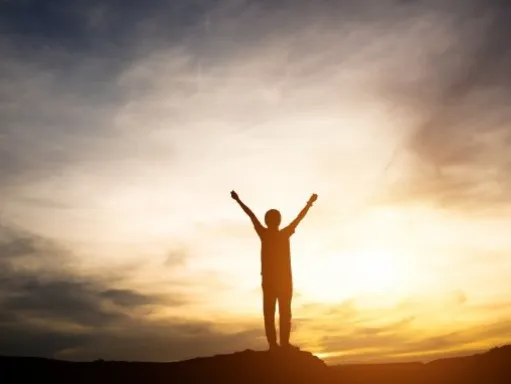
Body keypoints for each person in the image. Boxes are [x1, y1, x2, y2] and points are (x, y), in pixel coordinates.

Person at [230, 190, 318, 351]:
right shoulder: (274, 234)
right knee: (276, 313)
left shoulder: (275, 234)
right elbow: (252, 215)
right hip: (277, 281)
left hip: (281, 281)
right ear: (275, 221)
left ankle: (280, 344)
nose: (273, 220)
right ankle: (276, 345)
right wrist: (238, 200)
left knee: (279, 313)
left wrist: (309, 204)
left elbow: (252, 215)